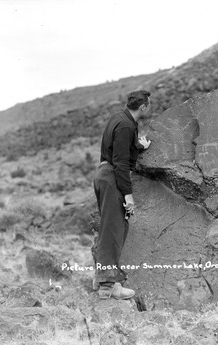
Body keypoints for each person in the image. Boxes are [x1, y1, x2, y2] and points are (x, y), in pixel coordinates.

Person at [93, 90, 152, 300]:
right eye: (149, 104)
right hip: (112, 178)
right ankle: (109, 286)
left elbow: (123, 148)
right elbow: (120, 162)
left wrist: (139, 145)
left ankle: (102, 279)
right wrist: (128, 195)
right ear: (143, 106)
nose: (149, 107)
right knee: (114, 231)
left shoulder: (121, 119)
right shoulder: (127, 125)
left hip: (103, 175)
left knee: (112, 228)